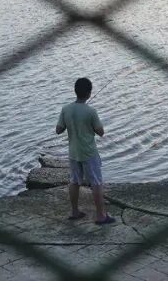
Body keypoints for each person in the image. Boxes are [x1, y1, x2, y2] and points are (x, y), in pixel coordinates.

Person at [55, 77, 115, 224]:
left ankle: (75, 212)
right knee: (96, 183)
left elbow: (58, 130)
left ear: (75, 92)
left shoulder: (66, 109)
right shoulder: (91, 111)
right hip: (89, 153)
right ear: (89, 93)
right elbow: (101, 132)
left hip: (74, 153)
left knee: (74, 181)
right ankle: (101, 216)